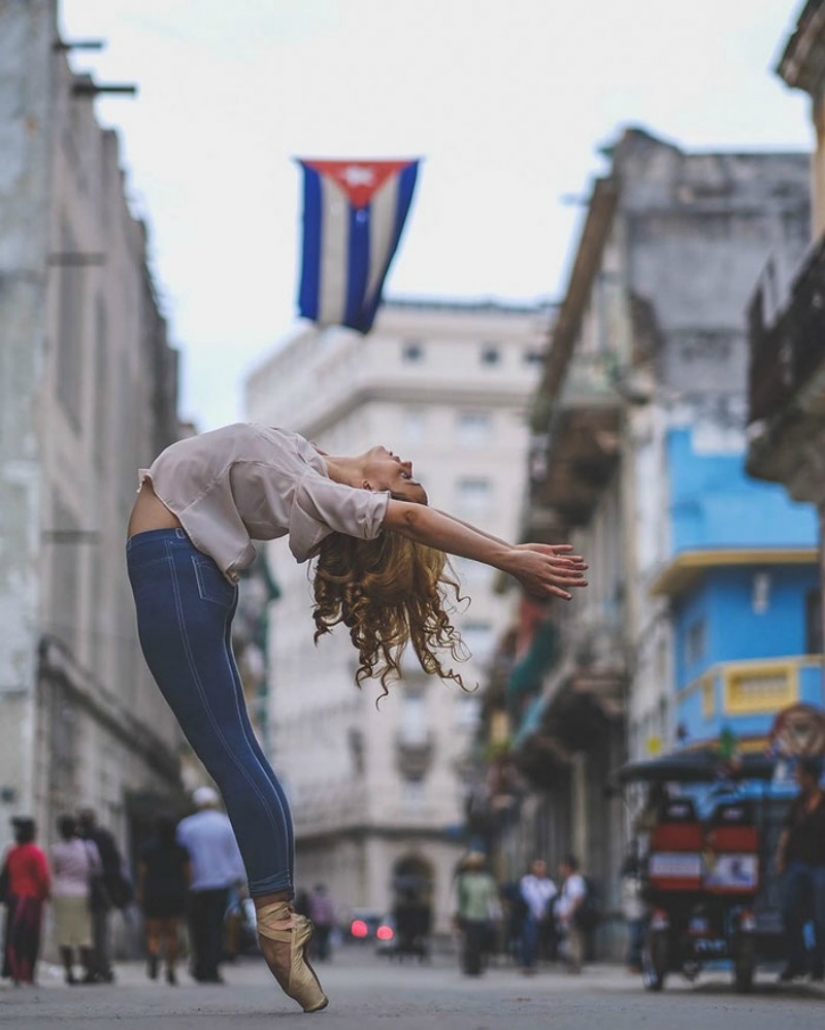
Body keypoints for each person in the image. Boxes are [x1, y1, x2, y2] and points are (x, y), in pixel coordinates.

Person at [125, 423, 588, 1012]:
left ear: (371, 496)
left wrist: (509, 557)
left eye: (404, 480)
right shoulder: (309, 465)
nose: (408, 461)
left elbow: (414, 521)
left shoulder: (319, 492)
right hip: (186, 572)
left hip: (175, 571)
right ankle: (276, 919)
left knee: (233, 756)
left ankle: (275, 925)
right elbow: (407, 516)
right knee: (237, 753)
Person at [176, 786, 245, 985]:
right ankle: (213, 968)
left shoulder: (186, 826)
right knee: (216, 927)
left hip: (195, 885)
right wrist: (238, 880)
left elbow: (183, 858)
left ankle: (201, 965)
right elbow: (235, 856)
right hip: (221, 884)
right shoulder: (225, 825)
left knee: (197, 927)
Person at [776, 755, 825, 982]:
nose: (795, 778)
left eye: (798, 774)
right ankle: (796, 962)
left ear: (810, 777)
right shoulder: (798, 803)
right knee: (789, 911)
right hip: (797, 865)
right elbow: (786, 831)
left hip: (820, 866)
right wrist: (781, 856)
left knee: (820, 916)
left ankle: (819, 965)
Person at [77, 807, 131, 984]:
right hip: (95, 892)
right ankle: (99, 967)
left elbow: (114, 865)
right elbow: (115, 865)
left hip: (93, 892)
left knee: (93, 933)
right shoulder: (99, 838)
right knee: (98, 933)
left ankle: (97, 968)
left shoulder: (82, 839)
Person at [136, 814, 191, 985]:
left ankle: (153, 953)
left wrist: (140, 892)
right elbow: (188, 873)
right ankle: (171, 968)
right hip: (175, 894)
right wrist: (186, 889)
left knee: (153, 932)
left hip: (154, 893)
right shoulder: (181, 849)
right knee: (172, 935)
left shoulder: (148, 848)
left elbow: (142, 873)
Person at [51, 814, 102, 985]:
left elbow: (55, 871)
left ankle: (69, 972)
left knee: (64, 935)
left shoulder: (56, 849)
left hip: (62, 894)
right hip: (82, 893)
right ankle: (88, 971)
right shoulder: (88, 847)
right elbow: (97, 868)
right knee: (83, 936)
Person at [1, 817, 50, 985]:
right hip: (31, 899)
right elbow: (42, 877)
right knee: (30, 935)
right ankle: (26, 973)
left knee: (14, 935)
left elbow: (5, 876)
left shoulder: (12, 853)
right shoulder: (35, 853)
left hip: (14, 898)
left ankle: (14, 971)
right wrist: (45, 895)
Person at [454, 852, 499, 976]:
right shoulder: (464, 880)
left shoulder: (487, 880)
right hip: (468, 914)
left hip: (483, 915)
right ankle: (470, 966)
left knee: (481, 942)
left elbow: (492, 898)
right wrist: (457, 914)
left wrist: (495, 914)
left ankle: (479, 965)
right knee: (470, 942)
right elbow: (460, 898)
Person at [518, 858, 557, 974]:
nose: (540, 870)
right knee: (529, 939)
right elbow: (523, 897)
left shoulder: (548, 884)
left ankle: (545, 957)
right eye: (537, 867)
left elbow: (553, 898)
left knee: (543, 940)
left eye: (542, 868)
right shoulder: (526, 882)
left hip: (545, 916)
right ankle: (527, 964)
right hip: (530, 914)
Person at [557, 855, 587, 974]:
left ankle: (576, 964)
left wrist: (569, 913)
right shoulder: (569, 880)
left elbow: (577, 898)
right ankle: (572, 963)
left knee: (575, 940)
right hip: (568, 915)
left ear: (568, 867)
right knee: (571, 940)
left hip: (572, 916)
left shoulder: (575, 881)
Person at [620, 845, 646, 974]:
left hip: (639, 912)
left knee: (639, 938)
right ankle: (633, 964)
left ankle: (638, 963)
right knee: (636, 938)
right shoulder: (630, 881)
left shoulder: (631, 879)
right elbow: (636, 892)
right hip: (635, 913)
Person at [307, 884, 335, 962]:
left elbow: (310, 911)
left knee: (316, 940)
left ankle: (316, 954)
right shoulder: (326, 900)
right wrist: (332, 922)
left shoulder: (312, 900)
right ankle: (323, 954)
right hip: (325, 923)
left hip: (315, 922)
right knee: (324, 940)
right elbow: (330, 912)